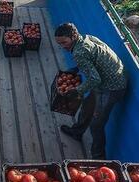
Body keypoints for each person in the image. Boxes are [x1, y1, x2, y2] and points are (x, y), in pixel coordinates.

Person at [54, 22, 127, 159]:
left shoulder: (79, 53)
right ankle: (77, 131)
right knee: (87, 106)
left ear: (73, 36)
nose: (63, 46)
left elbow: (95, 79)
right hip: (113, 78)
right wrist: (77, 68)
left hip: (111, 88)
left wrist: (77, 91)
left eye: (64, 42)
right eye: (60, 44)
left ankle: (99, 159)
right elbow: (93, 59)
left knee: (96, 125)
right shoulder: (87, 38)